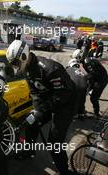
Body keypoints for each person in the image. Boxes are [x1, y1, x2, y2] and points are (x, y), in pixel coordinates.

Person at [6, 40, 76, 175]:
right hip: (48, 100)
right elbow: (34, 92)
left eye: (15, 63)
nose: (15, 67)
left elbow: (63, 95)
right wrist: (36, 110)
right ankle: (29, 150)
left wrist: (42, 109)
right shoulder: (26, 69)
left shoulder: (50, 69)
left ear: (24, 56)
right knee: (31, 124)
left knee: (54, 140)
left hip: (65, 103)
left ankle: (63, 169)